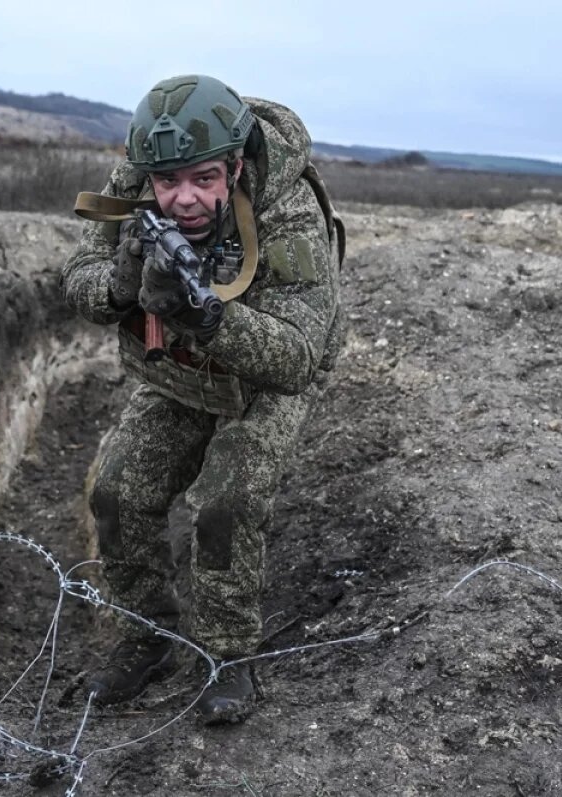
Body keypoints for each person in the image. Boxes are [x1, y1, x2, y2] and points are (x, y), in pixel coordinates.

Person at [60, 74, 345, 723]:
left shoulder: (287, 212)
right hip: (182, 372)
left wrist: (210, 317)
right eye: (169, 183)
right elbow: (78, 277)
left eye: (203, 180)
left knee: (228, 501)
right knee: (117, 491)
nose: (183, 198)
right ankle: (145, 633)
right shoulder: (136, 179)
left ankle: (226, 652)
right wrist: (121, 283)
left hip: (262, 379)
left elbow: (297, 355)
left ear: (235, 166)